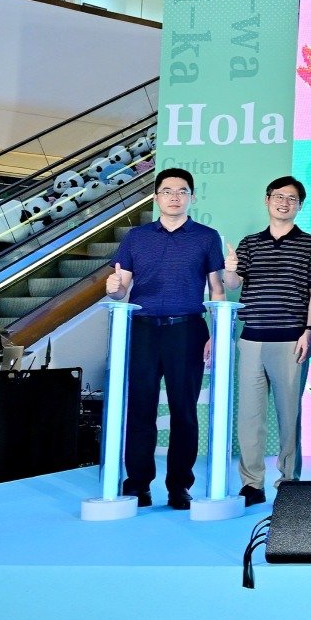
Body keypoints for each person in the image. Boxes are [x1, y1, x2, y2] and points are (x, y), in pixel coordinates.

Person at [104, 168, 225, 510]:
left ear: (192, 197)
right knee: (140, 409)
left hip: (187, 330)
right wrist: (113, 290)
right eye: (167, 191)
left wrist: (217, 334)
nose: (175, 197)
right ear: (156, 197)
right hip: (142, 330)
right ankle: (138, 485)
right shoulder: (136, 237)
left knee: (184, 410)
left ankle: (179, 487)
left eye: (182, 191)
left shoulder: (206, 237)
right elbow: (121, 288)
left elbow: (217, 289)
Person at [222, 177, 311, 506]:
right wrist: (230, 268)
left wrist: (309, 331)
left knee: (289, 415)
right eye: (279, 196)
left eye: (292, 198)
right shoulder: (250, 243)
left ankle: (289, 481)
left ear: (300, 206)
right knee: (250, 416)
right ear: (267, 200)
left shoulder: (310, 244)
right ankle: (252, 484)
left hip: (291, 341)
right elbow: (232, 284)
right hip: (252, 339)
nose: (284, 203)